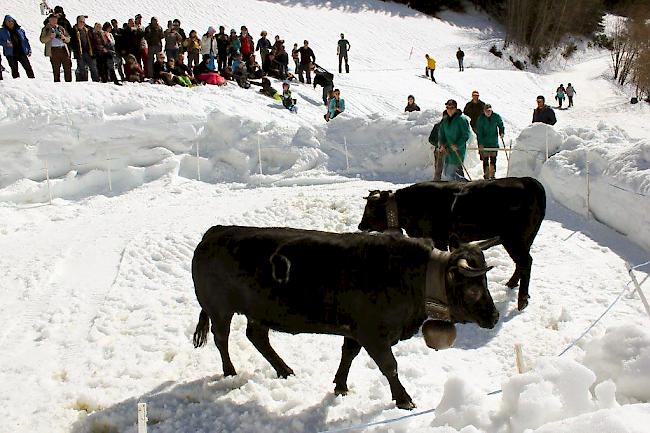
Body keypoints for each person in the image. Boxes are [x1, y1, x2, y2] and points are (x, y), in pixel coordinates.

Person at [439, 99, 470, 181]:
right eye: (447, 108)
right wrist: (442, 144)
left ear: (455, 108)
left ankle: (465, 187)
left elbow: (466, 135)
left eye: (451, 108)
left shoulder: (461, 119)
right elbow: (441, 134)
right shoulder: (445, 120)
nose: (449, 110)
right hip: (448, 151)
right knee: (448, 173)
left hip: (457, 150)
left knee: (453, 173)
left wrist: (457, 144)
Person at [475, 104, 505, 180]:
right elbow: (479, 132)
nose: (488, 112)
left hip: (493, 142)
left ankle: (492, 175)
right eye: (486, 111)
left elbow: (500, 124)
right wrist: (480, 143)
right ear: (484, 111)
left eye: (489, 111)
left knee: (493, 159)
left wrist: (501, 132)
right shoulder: (481, 119)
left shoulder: (496, 116)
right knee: (485, 160)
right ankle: (486, 175)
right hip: (484, 143)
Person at [40, 13, 72, 82]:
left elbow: (68, 38)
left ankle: (69, 83)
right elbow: (42, 40)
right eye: (52, 19)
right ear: (49, 20)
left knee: (68, 67)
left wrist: (64, 38)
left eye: (55, 19)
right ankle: (57, 84)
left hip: (63, 49)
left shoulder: (60, 28)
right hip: (53, 50)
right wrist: (49, 37)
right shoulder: (46, 29)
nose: (54, 21)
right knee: (56, 68)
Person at [69, 15, 99, 82]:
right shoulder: (73, 30)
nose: (82, 23)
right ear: (77, 21)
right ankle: (83, 83)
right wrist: (74, 49)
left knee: (93, 67)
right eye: (81, 21)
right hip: (80, 52)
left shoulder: (87, 30)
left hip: (89, 52)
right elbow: (71, 42)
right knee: (81, 68)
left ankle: (96, 81)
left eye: (83, 22)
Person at [427, 111, 449, 181]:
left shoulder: (453, 127)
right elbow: (431, 139)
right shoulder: (437, 126)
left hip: (450, 150)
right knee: (438, 170)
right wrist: (439, 145)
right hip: (439, 151)